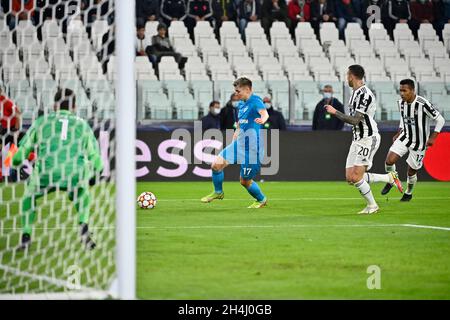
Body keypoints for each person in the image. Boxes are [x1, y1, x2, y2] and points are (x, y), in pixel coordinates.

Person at [9, 88, 103, 250]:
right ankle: (84, 228)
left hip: (47, 173)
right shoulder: (82, 124)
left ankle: (26, 236)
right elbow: (95, 158)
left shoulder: (41, 122)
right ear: (74, 107)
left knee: (28, 197)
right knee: (82, 193)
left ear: (54, 106)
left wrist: (15, 165)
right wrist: (96, 172)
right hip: (75, 173)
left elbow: (20, 155)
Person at [325, 65, 403, 214]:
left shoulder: (365, 94)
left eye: (347, 75)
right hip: (357, 139)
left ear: (352, 76)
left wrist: (335, 112)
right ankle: (389, 178)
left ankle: (372, 206)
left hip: (368, 137)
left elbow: (355, 120)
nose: (346, 78)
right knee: (350, 177)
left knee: (356, 176)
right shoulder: (354, 93)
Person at [201, 77, 269, 208]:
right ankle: (218, 192)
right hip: (239, 144)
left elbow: (264, 113)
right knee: (216, 166)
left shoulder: (255, 101)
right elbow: (239, 124)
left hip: (253, 149)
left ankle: (261, 199)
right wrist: (234, 140)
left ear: (248, 89)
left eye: (238, 91)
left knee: (244, 181)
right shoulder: (241, 104)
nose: (236, 94)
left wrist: (263, 119)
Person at [379, 79, 446, 202]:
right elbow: (403, 118)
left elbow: (440, 119)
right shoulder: (401, 103)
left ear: (412, 90)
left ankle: (408, 193)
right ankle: (392, 179)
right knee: (389, 161)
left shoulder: (422, 103)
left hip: (419, 142)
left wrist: (433, 137)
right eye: (400, 90)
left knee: (411, 171)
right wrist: (399, 131)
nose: (402, 93)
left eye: (405, 90)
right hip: (405, 136)